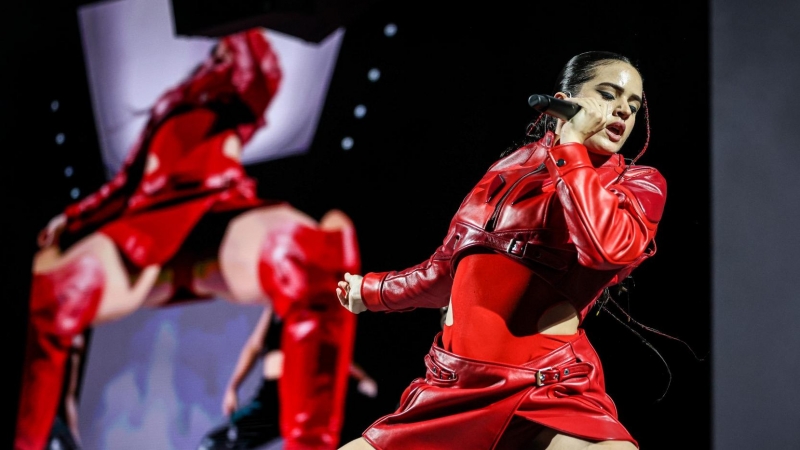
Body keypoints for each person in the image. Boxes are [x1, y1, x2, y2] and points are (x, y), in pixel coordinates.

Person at [16, 27, 361, 450]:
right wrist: (71, 217)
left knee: (311, 254)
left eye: (225, 51)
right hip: (145, 218)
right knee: (56, 290)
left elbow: (260, 75)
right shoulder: (166, 107)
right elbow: (123, 183)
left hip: (219, 204)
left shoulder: (240, 85)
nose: (218, 55)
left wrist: (238, 26)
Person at [335, 50, 665, 449]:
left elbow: (605, 249)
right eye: (608, 95)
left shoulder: (638, 184)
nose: (622, 113)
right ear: (565, 99)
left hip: (548, 388)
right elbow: (447, 269)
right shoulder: (506, 168)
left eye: (632, 105)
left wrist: (572, 147)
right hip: (453, 386)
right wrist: (371, 292)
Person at [197, 306, 379, 450]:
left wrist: (362, 378)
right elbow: (254, 345)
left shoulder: (317, 308)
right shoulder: (276, 305)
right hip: (272, 397)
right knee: (214, 443)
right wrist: (233, 387)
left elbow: (334, 354)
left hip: (301, 396)